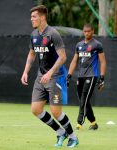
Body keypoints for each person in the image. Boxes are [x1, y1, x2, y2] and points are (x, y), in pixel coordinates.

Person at [21, 5, 78, 148]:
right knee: (35, 109)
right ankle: (60, 132)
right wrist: (25, 71)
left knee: (55, 111)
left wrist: (50, 73)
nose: (31, 19)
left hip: (56, 76)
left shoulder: (53, 34)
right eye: (31, 16)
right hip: (41, 77)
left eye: (34, 16)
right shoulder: (34, 35)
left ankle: (73, 137)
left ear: (42, 17)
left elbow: (63, 57)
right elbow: (32, 53)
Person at [67, 23, 106, 130]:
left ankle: (79, 123)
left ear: (93, 31)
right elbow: (74, 61)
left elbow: (103, 62)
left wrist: (102, 78)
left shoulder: (97, 45)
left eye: (89, 31)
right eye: (85, 31)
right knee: (83, 100)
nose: (86, 33)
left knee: (84, 98)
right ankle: (93, 123)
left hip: (92, 75)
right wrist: (69, 75)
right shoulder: (79, 45)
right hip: (81, 76)